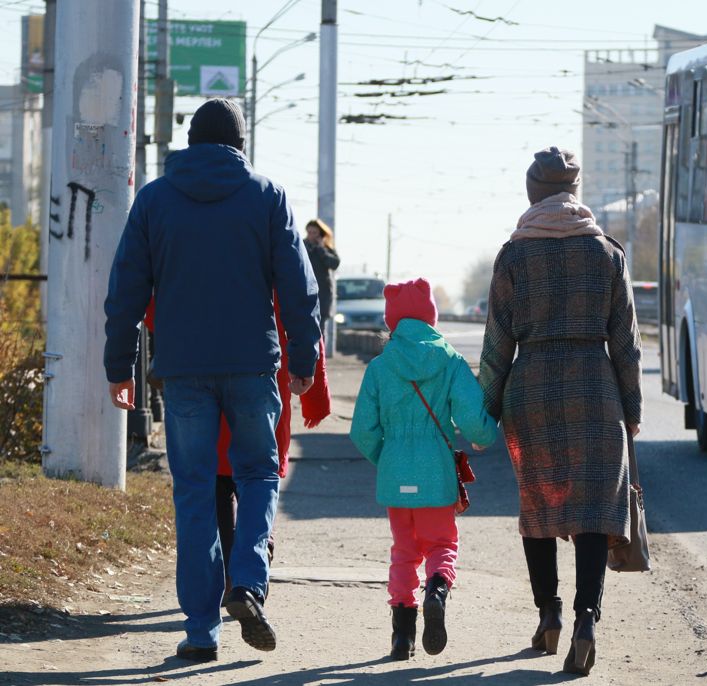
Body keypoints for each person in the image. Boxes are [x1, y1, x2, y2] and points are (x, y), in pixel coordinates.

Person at [104, 98, 321, 663]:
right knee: (257, 475)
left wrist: (118, 368)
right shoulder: (267, 196)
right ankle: (247, 583)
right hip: (253, 365)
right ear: (240, 145)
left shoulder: (153, 199)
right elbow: (298, 285)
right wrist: (303, 359)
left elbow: (126, 290)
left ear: (191, 143)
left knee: (195, 491)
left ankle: (201, 631)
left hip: (183, 372)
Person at [478, 146, 642, 676]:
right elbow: (628, 346)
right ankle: (586, 621)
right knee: (594, 511)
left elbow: (497, 346)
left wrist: (487, 408)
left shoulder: (513, 256)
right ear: (574, 192)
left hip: (533, 395)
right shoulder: (607, 254)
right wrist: (631, 408)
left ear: (532, 192)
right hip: (596, 393)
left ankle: (547, 615)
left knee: (540, 508)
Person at [349, 278, 497, 661]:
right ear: (430, 315)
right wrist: (486, 435)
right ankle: (437, 590)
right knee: (442, 544)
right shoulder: (448, 360)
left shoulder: (380, 366)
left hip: (396, 478)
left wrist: (388, 461)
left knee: (403, 552)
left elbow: (362, 430)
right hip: (437, 475)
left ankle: (402, 638)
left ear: (391, 320)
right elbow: (474, 420)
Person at [214, 300, 331, 601]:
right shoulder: (280, 272)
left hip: (216, 393)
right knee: (260, 484)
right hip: (269, 396)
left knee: (222, 485)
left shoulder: (219, 265)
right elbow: (308, 329)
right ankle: (259, 555)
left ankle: (230, 575)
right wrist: (316, 400)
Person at [303, 219, 340, 334]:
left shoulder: (326, 248)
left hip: (322, 294)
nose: (311, 236)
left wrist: (321, 249)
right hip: (305, 292)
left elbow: (334, 264)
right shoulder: (302, 246)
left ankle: (320, 351)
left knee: (320, 329)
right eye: (309, 232)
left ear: (321, 234)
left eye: (314, 232)